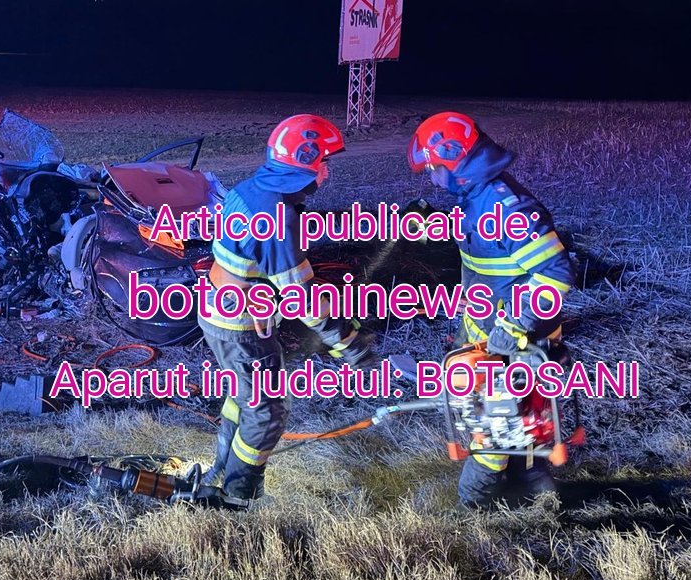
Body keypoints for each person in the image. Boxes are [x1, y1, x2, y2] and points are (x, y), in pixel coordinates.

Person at [201, 114, 377, 501]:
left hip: (219, 311)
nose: (327, 172)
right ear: (304, 162)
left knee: (243, 398)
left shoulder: (250, 189)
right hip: (241, 327)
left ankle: (220, 470)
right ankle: (238, 498)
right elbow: (304, 300)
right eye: (323, 162)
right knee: (266, 413)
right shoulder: (276, 218)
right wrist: (349, 344)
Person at [407, 111, 576, 509]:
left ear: (456, 161)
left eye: (434, 169)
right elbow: (486, 263)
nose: (432, 179)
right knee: (521, 423)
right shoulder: (476, 197)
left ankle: (474, 509)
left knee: (494, 430)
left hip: (516, 339)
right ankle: (531, 487)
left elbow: (555, 274)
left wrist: (513, 327)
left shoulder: (506, 206)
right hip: (493, 332)